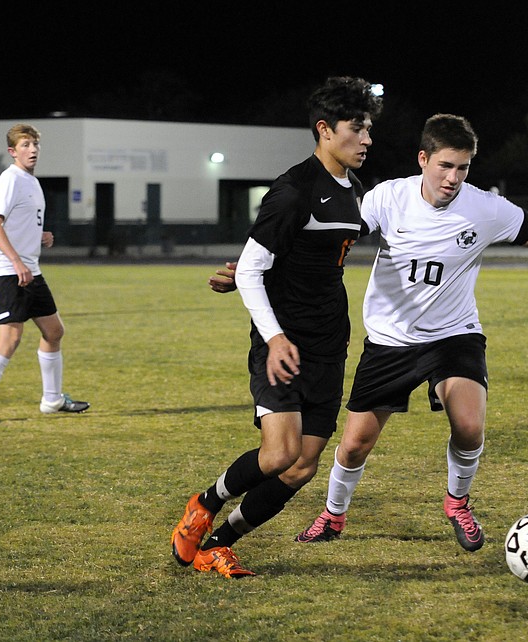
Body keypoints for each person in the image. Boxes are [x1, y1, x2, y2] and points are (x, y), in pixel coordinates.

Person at [295, 114, 528, 551]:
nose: (454, 178)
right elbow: (332, 236)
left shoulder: (485, 209)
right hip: (390, 340)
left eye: (463, 168)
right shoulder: (387, 198)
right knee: (356, 445)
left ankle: (457, 503)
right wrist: (265, 266)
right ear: (423, 159)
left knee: (470, 426)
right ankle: (333, 515)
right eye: (445, 166)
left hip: (454, 335)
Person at [170, 77, 383, 578]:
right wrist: (275, 336)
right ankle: (202, 505)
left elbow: (277, 263)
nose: (368, 139)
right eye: (359, 129)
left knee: (303, 466)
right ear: (325, 130)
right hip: (282, 344)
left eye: (370, 129)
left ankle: (219, 542)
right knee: (279, 452)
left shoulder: (355, 191)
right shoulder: (293, 191)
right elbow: (249, 267)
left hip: (330, 343)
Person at [0, 124, 89, 424]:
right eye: (26, 144)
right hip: (9, 271)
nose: (32, 150)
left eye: (35, 145)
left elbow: (20, 220)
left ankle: (52, 400)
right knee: (10, 338)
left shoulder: (31, 181)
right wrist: (16, 261)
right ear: (13, 151)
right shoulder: (10, 179)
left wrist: (40, 235)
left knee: (54, 331)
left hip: (30, 270)